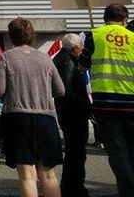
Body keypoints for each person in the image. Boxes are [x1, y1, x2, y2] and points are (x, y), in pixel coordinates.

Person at [0, 17, 65, 197]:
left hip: (18, 119)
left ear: (11, 36)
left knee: (27, 175)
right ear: (32, 35)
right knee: (48, 175)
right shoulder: (45, 58)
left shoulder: (6, 58)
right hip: (46, 119)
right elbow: (60, 90)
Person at [80, 4, 134, 197]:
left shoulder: (94, 35)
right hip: (131, 101)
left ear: (105, 18)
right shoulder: (133, 36)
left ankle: (127, 191)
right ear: (124, 19)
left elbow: (82, 65)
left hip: (106, 103)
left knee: (117, 151)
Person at [52, 33, 90, 197]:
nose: (82, 51)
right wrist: (86, 105)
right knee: (76, 153)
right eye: (81, 48)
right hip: (73, 114)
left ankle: (71, 186)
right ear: (75, 48)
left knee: (74, 153)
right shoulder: (67, 62)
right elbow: (66, 91)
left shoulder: (63, 59)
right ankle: (74, 188)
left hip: (68, 113)